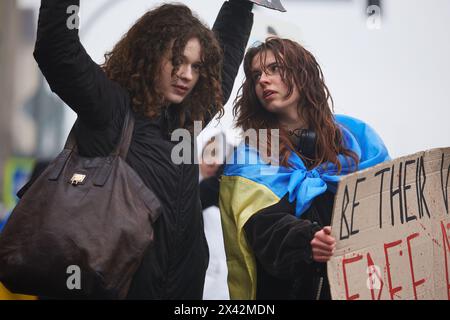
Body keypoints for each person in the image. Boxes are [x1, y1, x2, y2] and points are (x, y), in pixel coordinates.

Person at [33, 0, 254, 299]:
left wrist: (240, 6)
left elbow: (222, 72)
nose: (187, 75)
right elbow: (58, 49)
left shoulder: (185, 120)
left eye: (195, 66)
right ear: (149, 54)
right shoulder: (109, 108)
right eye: (177, 61)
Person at [219, 37, 390, 300]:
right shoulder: (251, 155)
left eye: (274, 68)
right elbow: (264, 228)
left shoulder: (355, 138)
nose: (263, 80)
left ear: (302, 73)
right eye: (256, 75)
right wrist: (307, 240)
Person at [198, 133, 232, 299]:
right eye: (209, 154)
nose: (213, 162)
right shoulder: (192, 194)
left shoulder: (228, 194)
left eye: (219, 156)